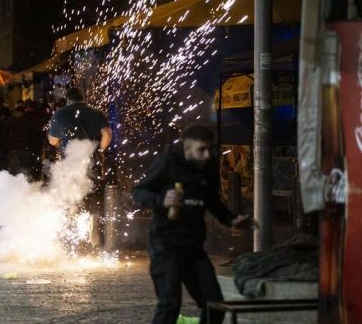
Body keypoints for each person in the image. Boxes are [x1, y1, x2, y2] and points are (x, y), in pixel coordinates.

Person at [131, 125, 256, 324]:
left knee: (214, 303)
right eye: (201, 150)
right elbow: (138, 192)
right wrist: (162, 200)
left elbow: (212, 200)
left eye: (210, 149)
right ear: (187, 149)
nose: (207, 155)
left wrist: (231, 219)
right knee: (170, 303)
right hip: (165, 243)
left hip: (193, 246)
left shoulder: (209, 165)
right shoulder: (168, 163)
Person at [48, 87, 112, 245]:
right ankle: (94, 222)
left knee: (70, 195)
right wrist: (101, 150)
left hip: (69, 162)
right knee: (94, 194)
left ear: (68, 99)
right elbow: (107, 134)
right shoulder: (97, 113)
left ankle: (72, 232)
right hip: (92, 160)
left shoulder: (59, 114)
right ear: (84, 98)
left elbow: (53, 141)